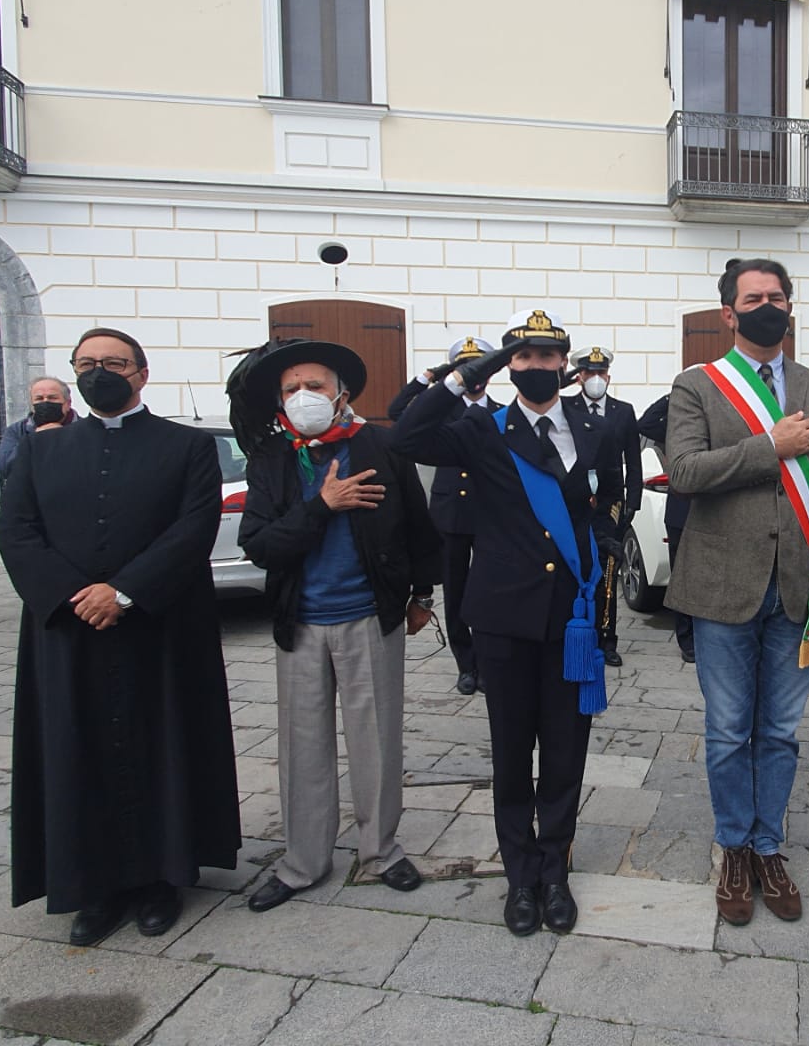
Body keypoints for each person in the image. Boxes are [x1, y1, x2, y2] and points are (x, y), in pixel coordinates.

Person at [0, 327, 241, 946]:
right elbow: (16, 529)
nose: (99, 371)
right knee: (75, 751)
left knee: (164, 746)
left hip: (157, 626)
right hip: (68, 627)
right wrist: (75, 594)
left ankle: (162, 879)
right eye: (87, 363)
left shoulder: (186, 446)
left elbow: (193, 527)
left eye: (114, 362)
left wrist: (124, 590)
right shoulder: (40, 450)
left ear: (141, 372)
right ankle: (92, 886)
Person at [391, 310, 626, 937]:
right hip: (505, 618)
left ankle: (556, 869)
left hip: (571, 618)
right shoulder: (479, 428)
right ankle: (520, 875)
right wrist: (470, 372)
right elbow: (405, 436)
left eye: (548, 358)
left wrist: (602, 542)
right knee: (512, 752)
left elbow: (594, 501)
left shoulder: (587, 423)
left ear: (565, 365)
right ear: (508, 367)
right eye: (522, 359)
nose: (536, 368)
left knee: (566, 754)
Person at [665, 258, 809, 927]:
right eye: (753, 297)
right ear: (728, 313)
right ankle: (734, 845)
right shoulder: (698, 387)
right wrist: (769, 445)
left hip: (801, 589)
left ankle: (769, 846)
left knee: (778, 731)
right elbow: (685, 471)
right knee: (726, 732)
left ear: (790, 307)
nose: (766, 305)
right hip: (722, 588)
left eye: (777, 296)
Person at [229, 339, 440, 911]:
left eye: (314, 385)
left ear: (342, 392)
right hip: (300, 622)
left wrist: (422, 594)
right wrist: (323, 504)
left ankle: (382, 850)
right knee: (303, 744)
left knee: (376, 740)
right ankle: (303, 862)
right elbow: (260, 546)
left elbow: (419, 529)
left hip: (370, 616)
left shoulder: (381, 446)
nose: (303, 397)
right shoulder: (273, 459)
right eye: (292, 388)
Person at [389, 338, 501, 695]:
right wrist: (427, 380)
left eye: (479, 366)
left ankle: (488, 660)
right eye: (466, 367)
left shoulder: (501, 411)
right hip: (451, 511)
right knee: (455, 591)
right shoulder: (443, 409)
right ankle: (465, 664)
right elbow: (397, 412)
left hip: (489, 514)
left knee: (487, 590)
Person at [567, 346, 643, 668]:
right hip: (574, 499)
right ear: (579, 376)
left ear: (608, 377)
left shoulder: (622, 411)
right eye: (589, 373)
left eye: (601, 374)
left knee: (608, 571)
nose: (595, 379)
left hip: (609, 503)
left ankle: (606, 638)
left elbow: (633, 461)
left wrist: (632, 503)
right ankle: (574, 633)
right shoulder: (566, 407)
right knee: (574, 569)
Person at [637, 393, 695, 664]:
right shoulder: (674, 428)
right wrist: (673, 395)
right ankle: (687, 640)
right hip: (680, 513)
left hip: (713, 514)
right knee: (681, 580)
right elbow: (645, 423)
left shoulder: (716, 424)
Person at [0, 377, 78, 479]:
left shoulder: (84, 429)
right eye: (39, 399)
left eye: (52, 398)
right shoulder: (18, 430)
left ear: (68, 403)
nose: (45, 402)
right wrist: (35, 439)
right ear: (32, 405)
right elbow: (4, 468)